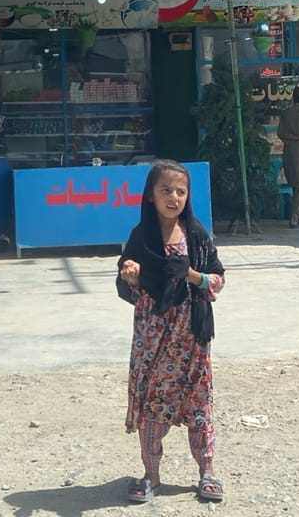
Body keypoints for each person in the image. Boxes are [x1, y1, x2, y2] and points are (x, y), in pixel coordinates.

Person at [116, 159, 225, 504]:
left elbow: (217, 281)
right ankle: (152, 476)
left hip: (192, 338)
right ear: (151, 195)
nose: (173, 197)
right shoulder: (140, 237)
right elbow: (131, 287)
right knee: (152, 406)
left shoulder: (197, 234)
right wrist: (131, 274)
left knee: (199, 405)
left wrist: (192, 274)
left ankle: (206, 473)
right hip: (153, 341)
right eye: (166, 190)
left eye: (181, 191)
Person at [277, 86, 299, 228]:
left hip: (289, 151)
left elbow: (280, 133)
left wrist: (291, 138)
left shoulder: (285, 113)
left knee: (296, 184)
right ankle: (295, 215)